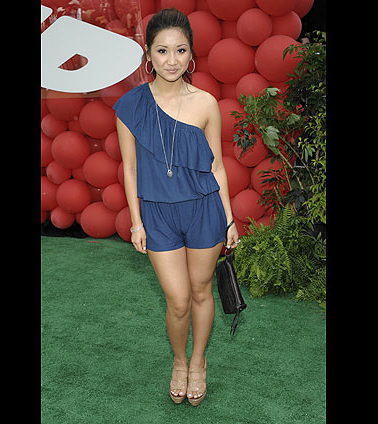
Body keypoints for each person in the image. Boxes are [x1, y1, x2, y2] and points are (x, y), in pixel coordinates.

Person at [112, 8, 239, 406]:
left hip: (204, 211)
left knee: (201, 291)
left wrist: (229, 218)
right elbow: (129, 169)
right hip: (158, 215)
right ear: (148, 55)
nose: (172, 60)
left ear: (191, 54)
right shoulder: (130, 106)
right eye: (162, 51)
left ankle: (198, 362)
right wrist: (136, 223)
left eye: (180, 50)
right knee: (178, 300)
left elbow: (217, 166)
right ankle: (179, 360)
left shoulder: (206, 104)